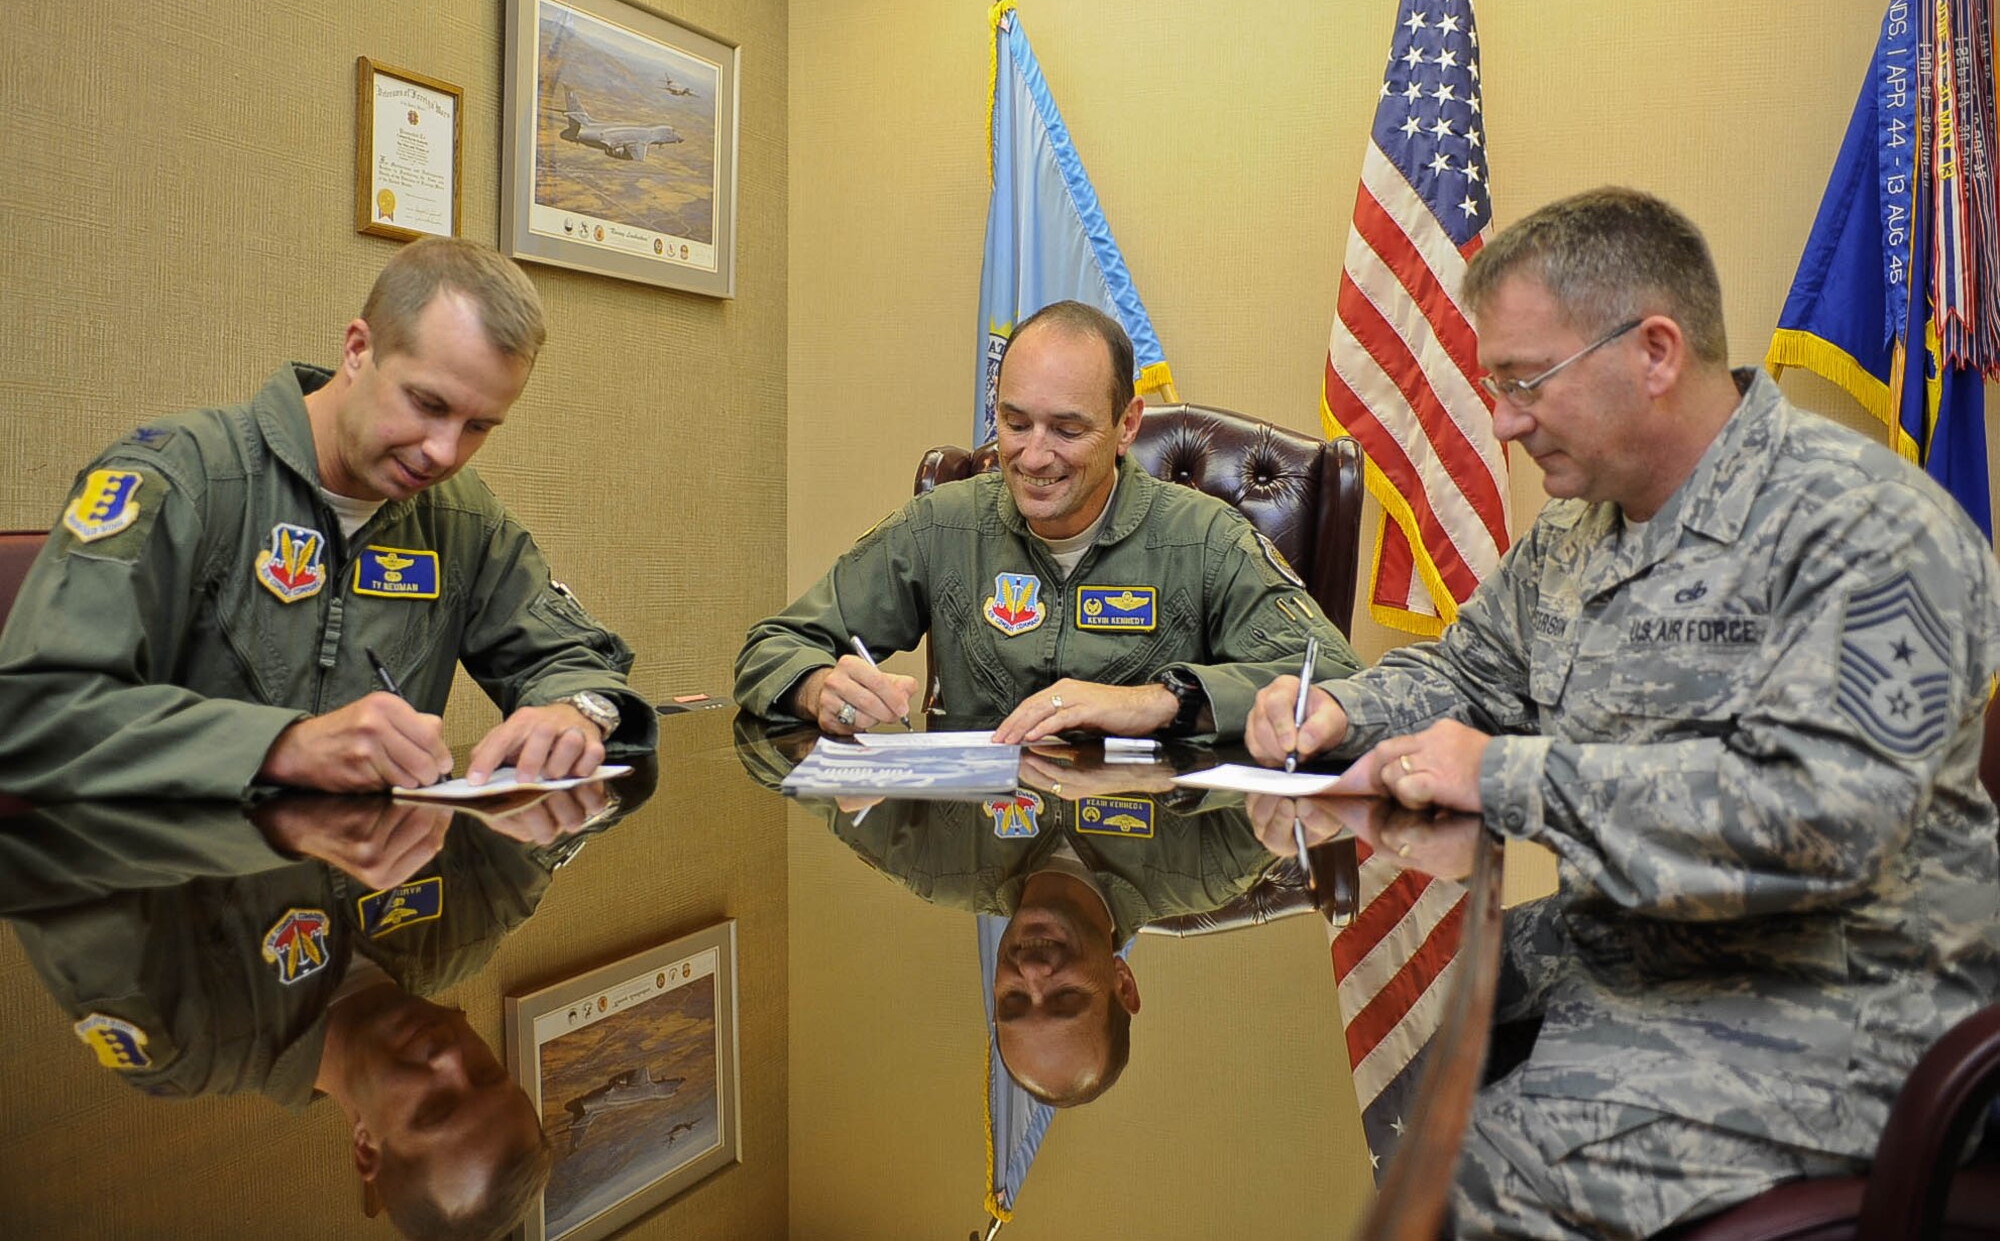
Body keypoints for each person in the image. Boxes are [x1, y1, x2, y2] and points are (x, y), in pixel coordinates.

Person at [1244, 187, 2000, 1238]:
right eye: (1491, 385)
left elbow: (1823, 820)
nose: (1502, 421)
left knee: (1467, 1185)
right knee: (1410, 1091)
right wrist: (1336, 710)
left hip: (1838, 1001)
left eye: (1522, 382)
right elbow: (1470, 673)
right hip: (1640, 956)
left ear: (1652, 351)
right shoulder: (1575, 534)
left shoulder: (1866, 529)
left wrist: (1502, 775)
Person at [0, 237, 655, 810]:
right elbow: (35, 712)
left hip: (370, 901)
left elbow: (570, 656)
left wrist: (575, 711)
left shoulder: (461, 515)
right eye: (428, 404)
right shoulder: (177, 478)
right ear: (357, 349)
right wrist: (280, 745)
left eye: (479, 426)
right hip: (169, 909)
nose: (444, 452)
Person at [0, 783, 653, 1240]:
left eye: (434, 1107)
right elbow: (591, 761)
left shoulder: (189, 1038)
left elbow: (40, 828)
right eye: (487, 1074)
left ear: (366, 1145)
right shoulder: (471, 922)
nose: (452, 1056)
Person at [733, 299, 1359, 742]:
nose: (1033, 457)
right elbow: (769, 650)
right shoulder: (940, 527)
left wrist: (1158, 701)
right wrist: (819, 688)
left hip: (1157, 840)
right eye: (1014, 423)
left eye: (1067, 429)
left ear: (1127, 426)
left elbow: (1336, 679)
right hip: (986, 839)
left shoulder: (1205, 539)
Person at [733, 717, 1284, 1105]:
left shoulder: (937, 864)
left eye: (1013, 1000)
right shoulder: (1211, 866)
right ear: (1123, 981)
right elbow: (1305, 741)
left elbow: (761, 750)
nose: (1033, 974)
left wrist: (826, 708)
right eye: (1067, 997)